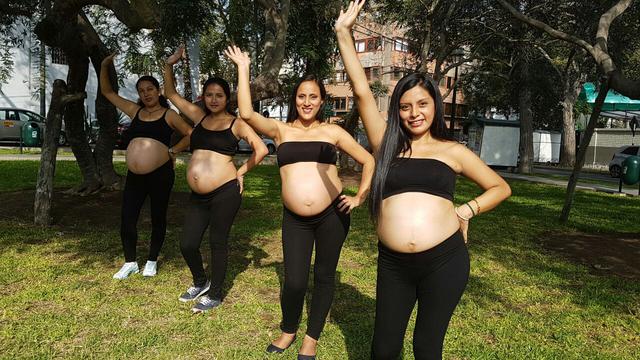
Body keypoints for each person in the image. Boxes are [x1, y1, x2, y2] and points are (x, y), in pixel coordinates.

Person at [335, 1, 512, 359]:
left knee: (427, 348)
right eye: (405, 106)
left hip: (445, 261)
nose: (414, 113)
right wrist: (344, 34)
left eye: (422, 104)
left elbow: (500, 187)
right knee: (383, 348)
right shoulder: (386, 144)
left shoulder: (452, 151)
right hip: (394, 264)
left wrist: (466, 211)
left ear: (435, 106)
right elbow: (361, 92)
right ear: (397, 111)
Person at [225, 45, 375, 359]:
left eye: (313, 96)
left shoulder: (332, 131)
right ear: (295, 99)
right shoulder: (280, 130)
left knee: (323, 275)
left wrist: (360, 196)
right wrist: (243, 68)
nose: (307, 102)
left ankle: (312, 337)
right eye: (301, 96)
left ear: (322, 100)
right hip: (295, 219)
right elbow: (247, 114)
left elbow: (368, 160)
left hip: (333, 215)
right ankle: (289, 329)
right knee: (294, 281)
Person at [164, 47, 269, 313]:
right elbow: (171, 94)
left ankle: (217, 294)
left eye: (218, 95)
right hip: (199, 196)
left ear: (227, 98)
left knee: (217, 241)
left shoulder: (236, 124)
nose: (213, 99)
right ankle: (201, 281)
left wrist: (241, 172)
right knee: (187, 243)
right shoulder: (198, 118)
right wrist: (169, 65)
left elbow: (262, 149)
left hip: (225, 192)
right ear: (204, 97)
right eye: (209, 95)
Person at [100, 54, 193, 280]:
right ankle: (130, 262)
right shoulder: (135, 111)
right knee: (127, 217)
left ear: (158, 91)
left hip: (161, 175)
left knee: (157, 217)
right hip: (135, 176)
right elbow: (108, 93)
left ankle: (151, 260)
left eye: (150, 89)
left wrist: (173, 151)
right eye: (141, 90)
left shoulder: (169, 115)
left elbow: (190, 134)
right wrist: (104, 66)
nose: (146, 94)